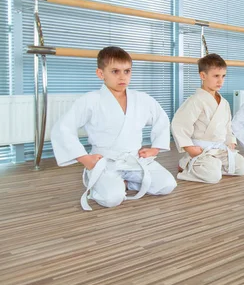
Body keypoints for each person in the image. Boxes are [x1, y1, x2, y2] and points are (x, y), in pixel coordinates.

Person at [51, 46, 176, 210]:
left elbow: (162, 118)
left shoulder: (142, 99)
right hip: (105, 162)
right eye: (115, 71)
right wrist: (85, 159)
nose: (122, 77)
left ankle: (128, 181)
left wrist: (156, 149)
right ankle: (98, 179)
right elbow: (63, 128)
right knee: (112, 199)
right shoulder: (90, 100)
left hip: (134, 159)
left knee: (167, 185)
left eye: (127, 71)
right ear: (101, 74)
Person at [171, 53, 244, 183]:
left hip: (220, 150)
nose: (220, 81)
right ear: (203, 76)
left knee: (242, 167)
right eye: (216, 76)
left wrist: (231, 140)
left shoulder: (224, 103)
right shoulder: (195, 100)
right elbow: (179, 124)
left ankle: (213, 165)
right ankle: (186, 164)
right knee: (213, 177)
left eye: (223, 76)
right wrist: (190, 149)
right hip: (201, 151)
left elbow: (227, 126)